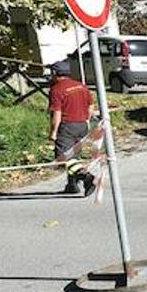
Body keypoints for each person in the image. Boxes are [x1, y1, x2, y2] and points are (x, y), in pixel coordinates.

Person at [47, 61, 96, 196]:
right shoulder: (81, 86)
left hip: (67, 126)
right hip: (82, 125)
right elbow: (91, 106)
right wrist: (86, 120)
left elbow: (57, 113)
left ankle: (87, 177)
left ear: (55, 74)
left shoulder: (56, 89)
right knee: (74, 156)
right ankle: (72, 185)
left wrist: (54, 132)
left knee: (64, 157)